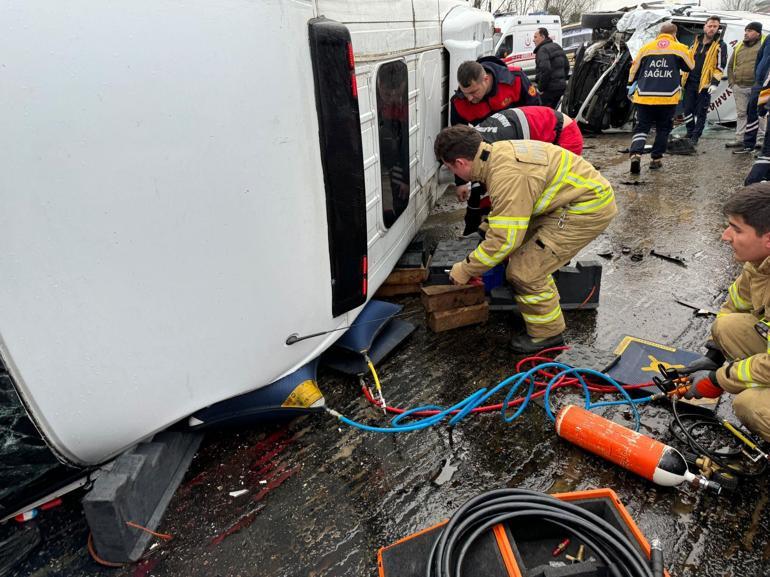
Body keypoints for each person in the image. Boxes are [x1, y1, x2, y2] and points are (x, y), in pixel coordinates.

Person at [434, 125, 617, 354]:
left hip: (586, 208)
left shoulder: (506, 174)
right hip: (566, 202)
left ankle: (547, 333)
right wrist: (486, 228)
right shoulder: (496, 154)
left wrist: (465, 270)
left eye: (451, 168)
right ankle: (533, 307)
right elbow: (513, 206)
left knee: (525, 270)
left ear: (460, 163)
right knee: (518, 256)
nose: (454, 174)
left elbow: (504, 241)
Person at [683, 183, 770, 442]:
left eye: (737, 229)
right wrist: (716, 355)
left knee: (751, 404)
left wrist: (718, 379)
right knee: (727, 326)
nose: (725, 236)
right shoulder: (760, 263)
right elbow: (735, 305)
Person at [457, 106, 586, 234]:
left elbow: (509, 192)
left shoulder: (495, 150)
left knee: (538, 195)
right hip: (542, 127)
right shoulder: (475, 144)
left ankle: (552, 231)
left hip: (564, 134)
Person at [450, 58, 540, 235]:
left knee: (520, 197)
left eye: (473, 92)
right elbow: (456, 143)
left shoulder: (514, 80)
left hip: (521, 150)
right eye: (465, 92)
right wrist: (461, 182)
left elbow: (537, 113)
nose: (470, 98)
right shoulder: (460, 102)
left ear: (486, 79)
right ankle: (473, 234)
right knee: (476, 199)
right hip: (487, 154)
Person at [626, 23, 694, 174]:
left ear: (659, 33)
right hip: (667, 97)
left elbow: (633, 70)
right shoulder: (680, 48)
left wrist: (630, 84)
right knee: (663, 128)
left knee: (642, 127)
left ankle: (636, 154)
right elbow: (690, 66)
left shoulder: (646, 48)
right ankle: (656, 159)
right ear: (674, 34)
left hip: (644, 96)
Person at [682, 16, 727, 146]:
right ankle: (689, 131)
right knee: (687, 110)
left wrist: (714, 83)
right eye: (710, 26)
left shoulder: (720, 45)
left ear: (718, 28)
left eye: (715, 26)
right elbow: (687, 59)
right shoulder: (695, 42)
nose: (712, 28)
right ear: (704, 26)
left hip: (705, 85)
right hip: (690, 82)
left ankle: (695, 136)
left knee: (701, 112)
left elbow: (720, 67)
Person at [726, 22, 765, 149]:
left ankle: (760, 140)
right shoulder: (739, 46)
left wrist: (762, 84)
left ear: (758, 33)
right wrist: (733, 83)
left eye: (750, 31)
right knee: (741, 113)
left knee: (760, 114)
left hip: (757, 86)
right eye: (746, 30)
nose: (746, 33)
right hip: (739, 86)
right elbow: (731, 65)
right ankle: (740, 139)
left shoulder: (763, 45)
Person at [735, 27, 770, 154]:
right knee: (753, 112)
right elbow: (760, 58)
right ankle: (749, 145)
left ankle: (766, 151)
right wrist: (758, 76)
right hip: (760, 83)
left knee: (765, 115)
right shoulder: (768, 39)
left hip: (768, 84)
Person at [533, 28, 570, 108]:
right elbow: (567, 66)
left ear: (543, 37)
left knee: (546, 113)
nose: (533, 40)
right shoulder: (557, 46)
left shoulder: (542, 50)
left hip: (549, 90)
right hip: (561, 88)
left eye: (535, 37)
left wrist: (540, 88)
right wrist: (562, 80)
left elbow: (545, 70)